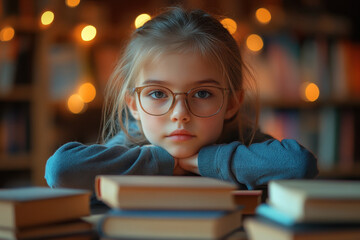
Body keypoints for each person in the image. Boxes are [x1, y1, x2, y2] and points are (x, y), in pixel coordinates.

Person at [45, 7, 318, 192]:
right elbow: (60, 169)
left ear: (232, 104)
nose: (180, 113)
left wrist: (201, 162)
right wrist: (160, 161)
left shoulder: (243, 141)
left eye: (202, 94)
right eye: (157, 94)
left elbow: (299, 164)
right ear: (133, 104)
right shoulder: (132, 143)